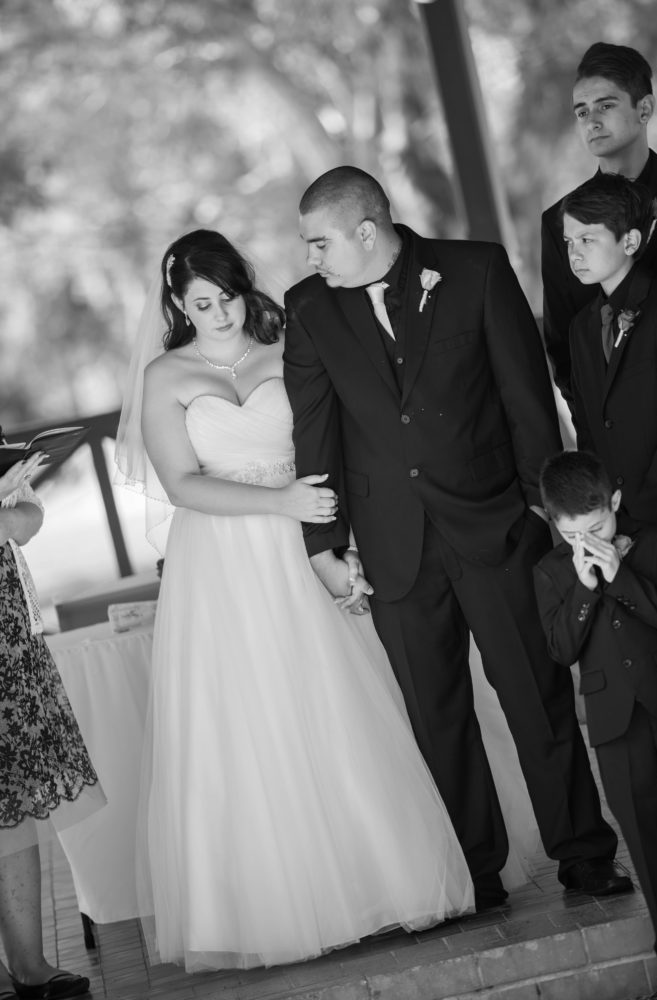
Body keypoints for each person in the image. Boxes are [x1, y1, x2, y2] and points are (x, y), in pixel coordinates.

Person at [115, 228, 488, 973]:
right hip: (223, 556)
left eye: (224, 299)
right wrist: (279, 500)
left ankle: (387, 878)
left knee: (342, 698)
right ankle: (278, 902)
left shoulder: (287, 340)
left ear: (240, 288)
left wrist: (324, 524)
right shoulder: (164, 375)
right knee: (252, 716)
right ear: (177, 305)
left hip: (308, 537)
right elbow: (182, 483)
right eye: (199, 304)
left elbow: (336, 432)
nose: (217, 316)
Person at [283, 164, 632, 913]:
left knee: (536, 697)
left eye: (319, 243)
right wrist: (324, 543)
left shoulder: (473, 269)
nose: (310, 258)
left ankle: (584, 854)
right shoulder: (308, 308)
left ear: (366, 231)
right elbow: (314, 433)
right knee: (435, 714)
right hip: (391, 544)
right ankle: (476, 872)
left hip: (496, 527)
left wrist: (547, 514)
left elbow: (526, 398)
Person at [534, 450, 657, 1000]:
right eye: (571, 535)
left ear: (614, 503)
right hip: (616, 723)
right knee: (648, 850)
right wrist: (587, 588)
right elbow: (560, 649)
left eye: (596, 528)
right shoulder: (549, 572)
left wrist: (621, 577)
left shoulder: (656, 542)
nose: (585, 541)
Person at [0, 448, 104, 1000]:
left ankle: (28, 964)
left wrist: (6, 513)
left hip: (6, 626)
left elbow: (27, 518)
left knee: (13, 788)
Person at [541, 42, 657, 408]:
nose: (591, 121)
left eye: (606, 106)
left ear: (644, 108)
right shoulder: (557, 220)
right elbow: (562, 344)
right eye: (581, 112)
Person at [562, 172, 657, 526]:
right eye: (568, 241)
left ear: (630, 241)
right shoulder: (581, 328)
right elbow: (588, 426)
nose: (574, 253)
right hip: (617, 517)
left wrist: (646, 506)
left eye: (587, 239)